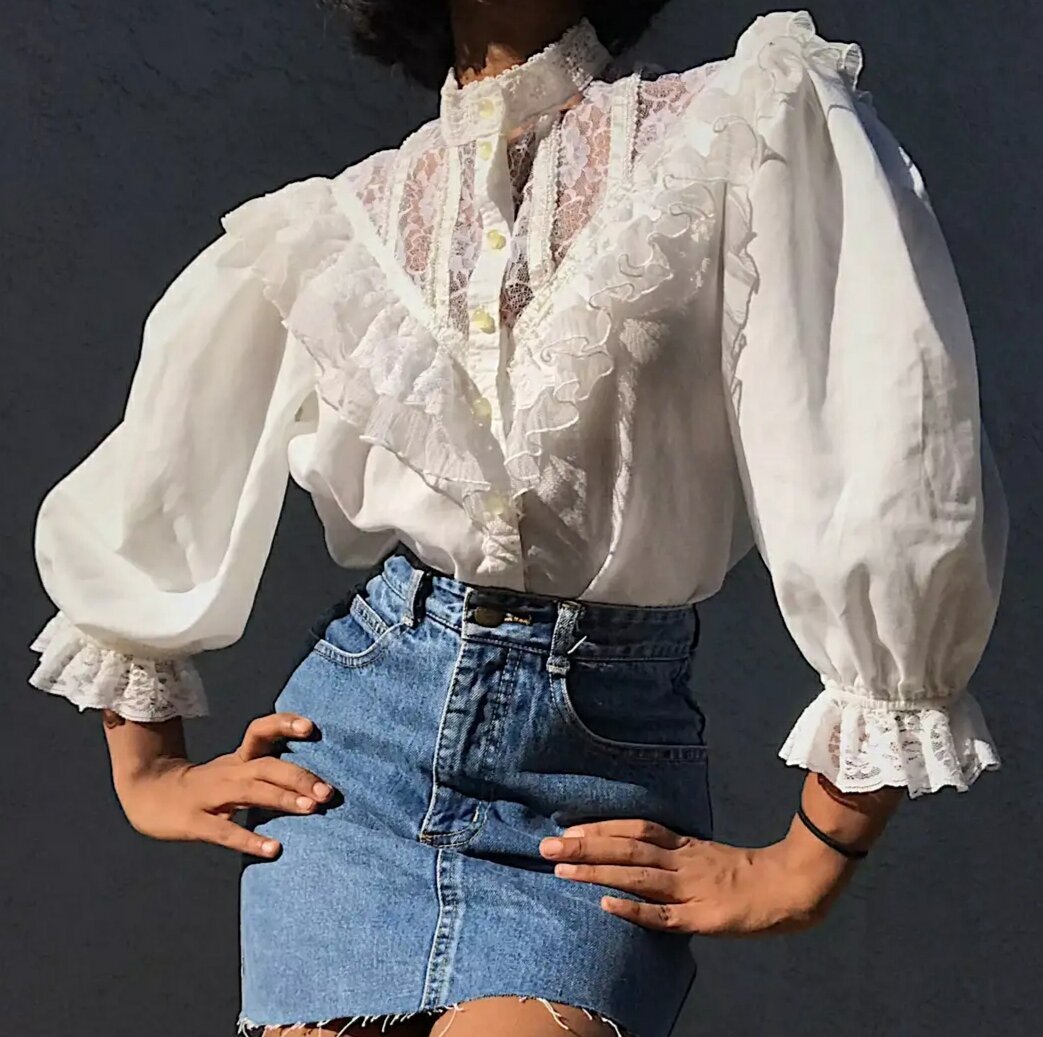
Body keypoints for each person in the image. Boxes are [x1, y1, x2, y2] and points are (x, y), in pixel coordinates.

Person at [27, 2, 1009, 1036]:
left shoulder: (742, 126)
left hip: (590, 780)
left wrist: (813, 855)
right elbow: (162, 469)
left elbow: (888, 444)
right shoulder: (336, 223)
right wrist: (150, 769)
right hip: (358, 759)